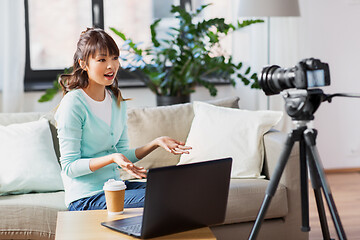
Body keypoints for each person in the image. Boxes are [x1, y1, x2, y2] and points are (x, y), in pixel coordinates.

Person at [55, 28, 191, 211]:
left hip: (115, 188)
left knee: (180, 191)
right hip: (86, 197)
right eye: (102, 60)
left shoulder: (116, 101)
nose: (111, 66)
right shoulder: (73, 104)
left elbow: (121, 154)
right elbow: (70, 167)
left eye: (114, 58)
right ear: (84, 64)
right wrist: (111, 158)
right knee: (162, 199)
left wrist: (156, 143)